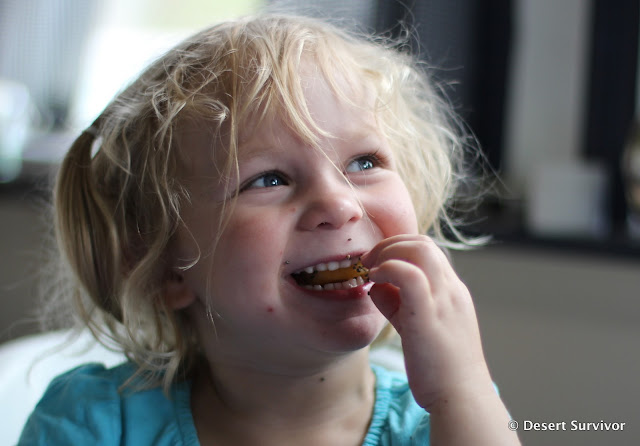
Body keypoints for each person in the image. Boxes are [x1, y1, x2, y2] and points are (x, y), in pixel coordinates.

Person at [18, 14, 520, 446]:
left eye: (364, 161)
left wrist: (463, 390)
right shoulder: (94, 423)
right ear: (166, 266)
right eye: (269, 179)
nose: (339, 204)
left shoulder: (452, 417)